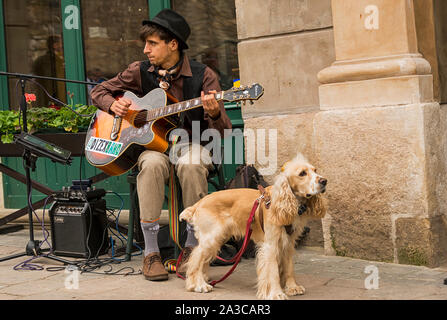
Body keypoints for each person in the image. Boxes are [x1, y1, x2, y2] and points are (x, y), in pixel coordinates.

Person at [90, 9, 232, 281]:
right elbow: (99, 91)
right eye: (146, 44)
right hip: (153, 147)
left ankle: (193, 248)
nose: (146, 50)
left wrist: (214, 112)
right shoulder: (139, 71)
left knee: (190, 164)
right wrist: (114, 105)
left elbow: (222, 133)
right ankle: (151, 252)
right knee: (152, 164)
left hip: (192, 144)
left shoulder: (204, 76)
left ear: (173, 44)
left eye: (152, 44)